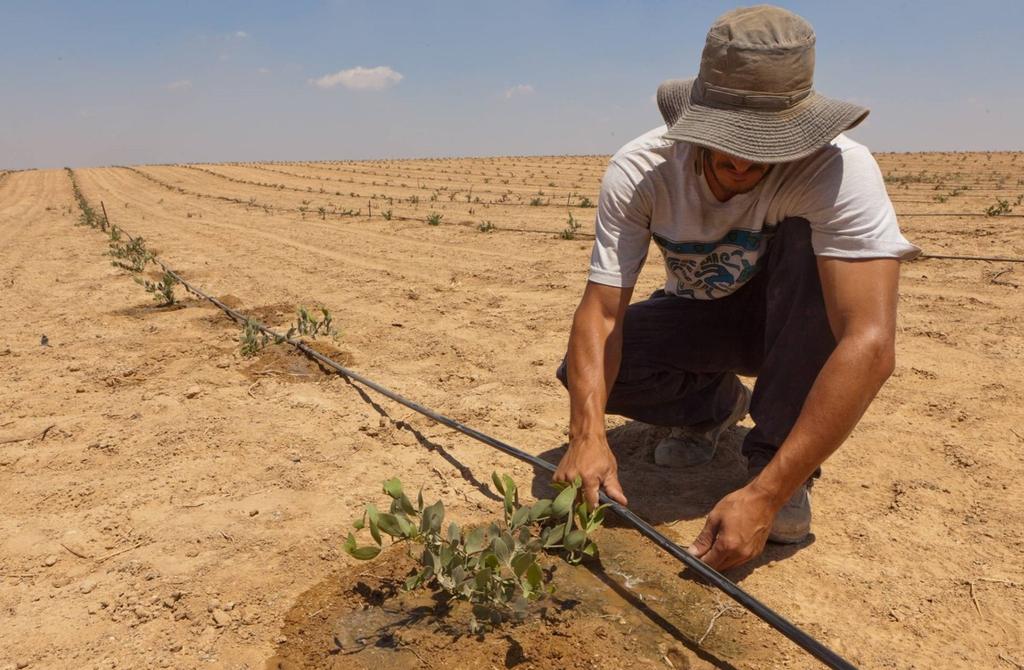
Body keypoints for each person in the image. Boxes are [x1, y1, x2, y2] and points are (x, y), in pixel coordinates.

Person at [552, 4, 919, 571]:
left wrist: (767, 495)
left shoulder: (838, 171)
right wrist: (586, 434)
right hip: (706, 312)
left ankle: (776, 461)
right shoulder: (643, 169)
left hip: (800, 323)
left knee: (806, 248)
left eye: (765, 143)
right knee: (590, 375)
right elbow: (600, 315)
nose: (741, 159)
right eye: (726, 138)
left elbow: (868, 342)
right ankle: (713, 411)